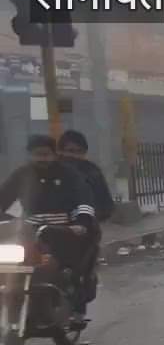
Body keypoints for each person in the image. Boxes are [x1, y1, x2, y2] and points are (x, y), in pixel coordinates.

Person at [0, 134, 98, 321]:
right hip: (31, 232)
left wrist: (82, 223)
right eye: (37, 154)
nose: (41, 159)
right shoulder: (22, 174)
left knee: (71, 268)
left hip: (63, 230)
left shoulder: (69, 174)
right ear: (29, 155)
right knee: (13, 264)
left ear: (54, 154)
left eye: (45, 154)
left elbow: (83, 199)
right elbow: (3, 198)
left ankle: (75, 305)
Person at [57, 130, 113, 316]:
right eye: (69, 150)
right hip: (50, 226)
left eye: (78, 151)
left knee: (81, 266)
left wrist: (91, 218)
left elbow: (105, 203)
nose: (73, 156)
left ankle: (78, 307)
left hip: (83, 228)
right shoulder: (49, 170)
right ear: (60, 151)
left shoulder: (91, 172)